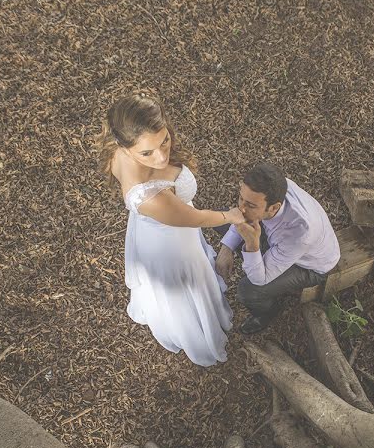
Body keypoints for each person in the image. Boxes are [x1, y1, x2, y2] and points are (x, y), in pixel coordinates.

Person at [96, 93, 245, 366]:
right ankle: (195, 329)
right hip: (172, 243)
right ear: (125, 146)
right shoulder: (151, 197)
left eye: (164, 140)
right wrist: (230, 215)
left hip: (157, 229)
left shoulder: (118, 150)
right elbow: (196, 218)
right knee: (186, 285)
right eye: (147, 153)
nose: (162, 156)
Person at [216, 163, 340, 334]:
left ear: (274, 207)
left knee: (248, 290)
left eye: (250, 205)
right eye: (240, 198)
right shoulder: (274, 188)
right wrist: (226, 248)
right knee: (222, 220)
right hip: (283, 243)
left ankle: (267, 312)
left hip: (309, 266)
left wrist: (252, 244)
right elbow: (241, 214)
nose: (241, 208)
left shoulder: (299, 232)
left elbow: (259, 279)